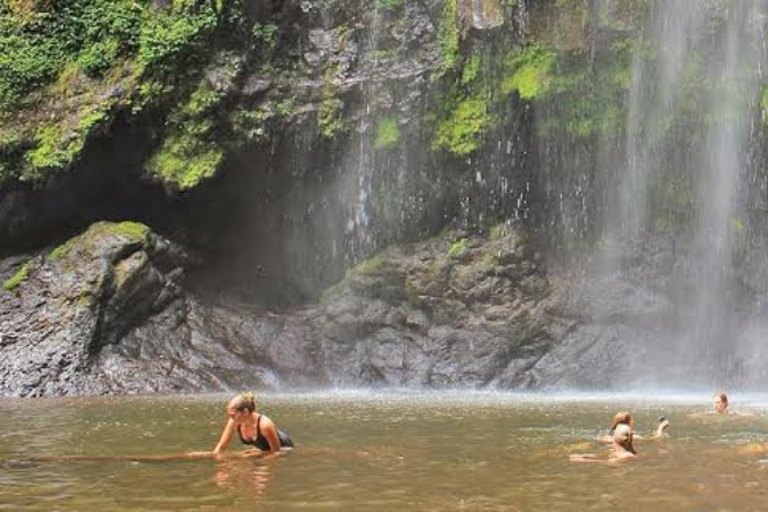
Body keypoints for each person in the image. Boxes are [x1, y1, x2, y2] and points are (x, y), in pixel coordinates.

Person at [213, 392, 294, 457]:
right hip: (265, 449)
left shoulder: (265, 425)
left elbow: (276, 452)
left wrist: (259, 455)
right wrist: (218, 461)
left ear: (245, 411)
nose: (230, 417)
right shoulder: (234, 420)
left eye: (233, 414)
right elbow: (221, 446)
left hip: (285, 449)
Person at [570, 424, 636, 463]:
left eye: (614, 434)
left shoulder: (627, 456)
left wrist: (584, 460)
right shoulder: (620, 453)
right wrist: (583, 456)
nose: (611, 437)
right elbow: (603, 457)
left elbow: (608, 462)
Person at [596, 411, 669, 443]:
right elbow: (654, 439)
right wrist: (661, 427)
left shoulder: (607, 437)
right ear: (629, 422)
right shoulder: (633, 437)